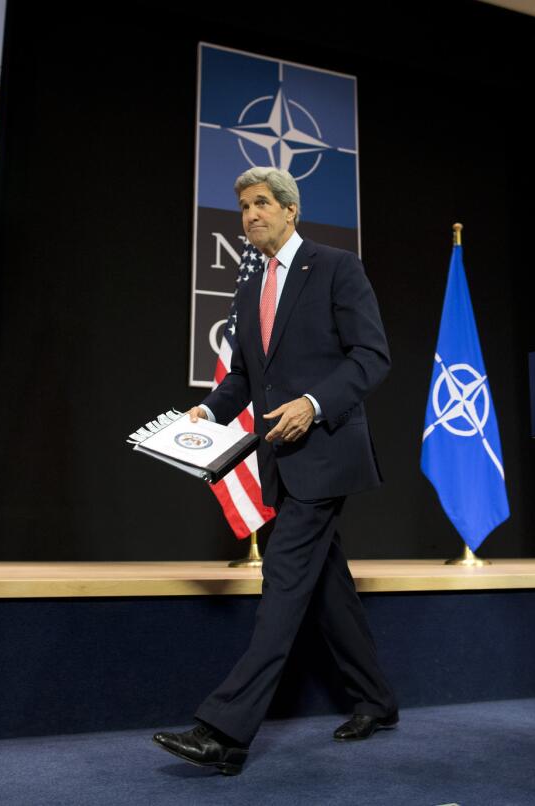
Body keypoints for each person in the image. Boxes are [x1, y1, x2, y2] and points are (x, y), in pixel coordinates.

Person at [152, 167, 397, 775]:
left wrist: (314, 404)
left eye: (261, 203)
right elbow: (245, 378)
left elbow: (372, 356)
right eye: (242, 207)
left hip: (328, 453)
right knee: (328, 589)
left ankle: (225, 733)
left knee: (283, 588)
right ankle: (377, 699)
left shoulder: (337, 267)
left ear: (291, 210)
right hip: (279, 462)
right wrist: (209, 410)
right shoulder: (249, 286)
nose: (250, 214)